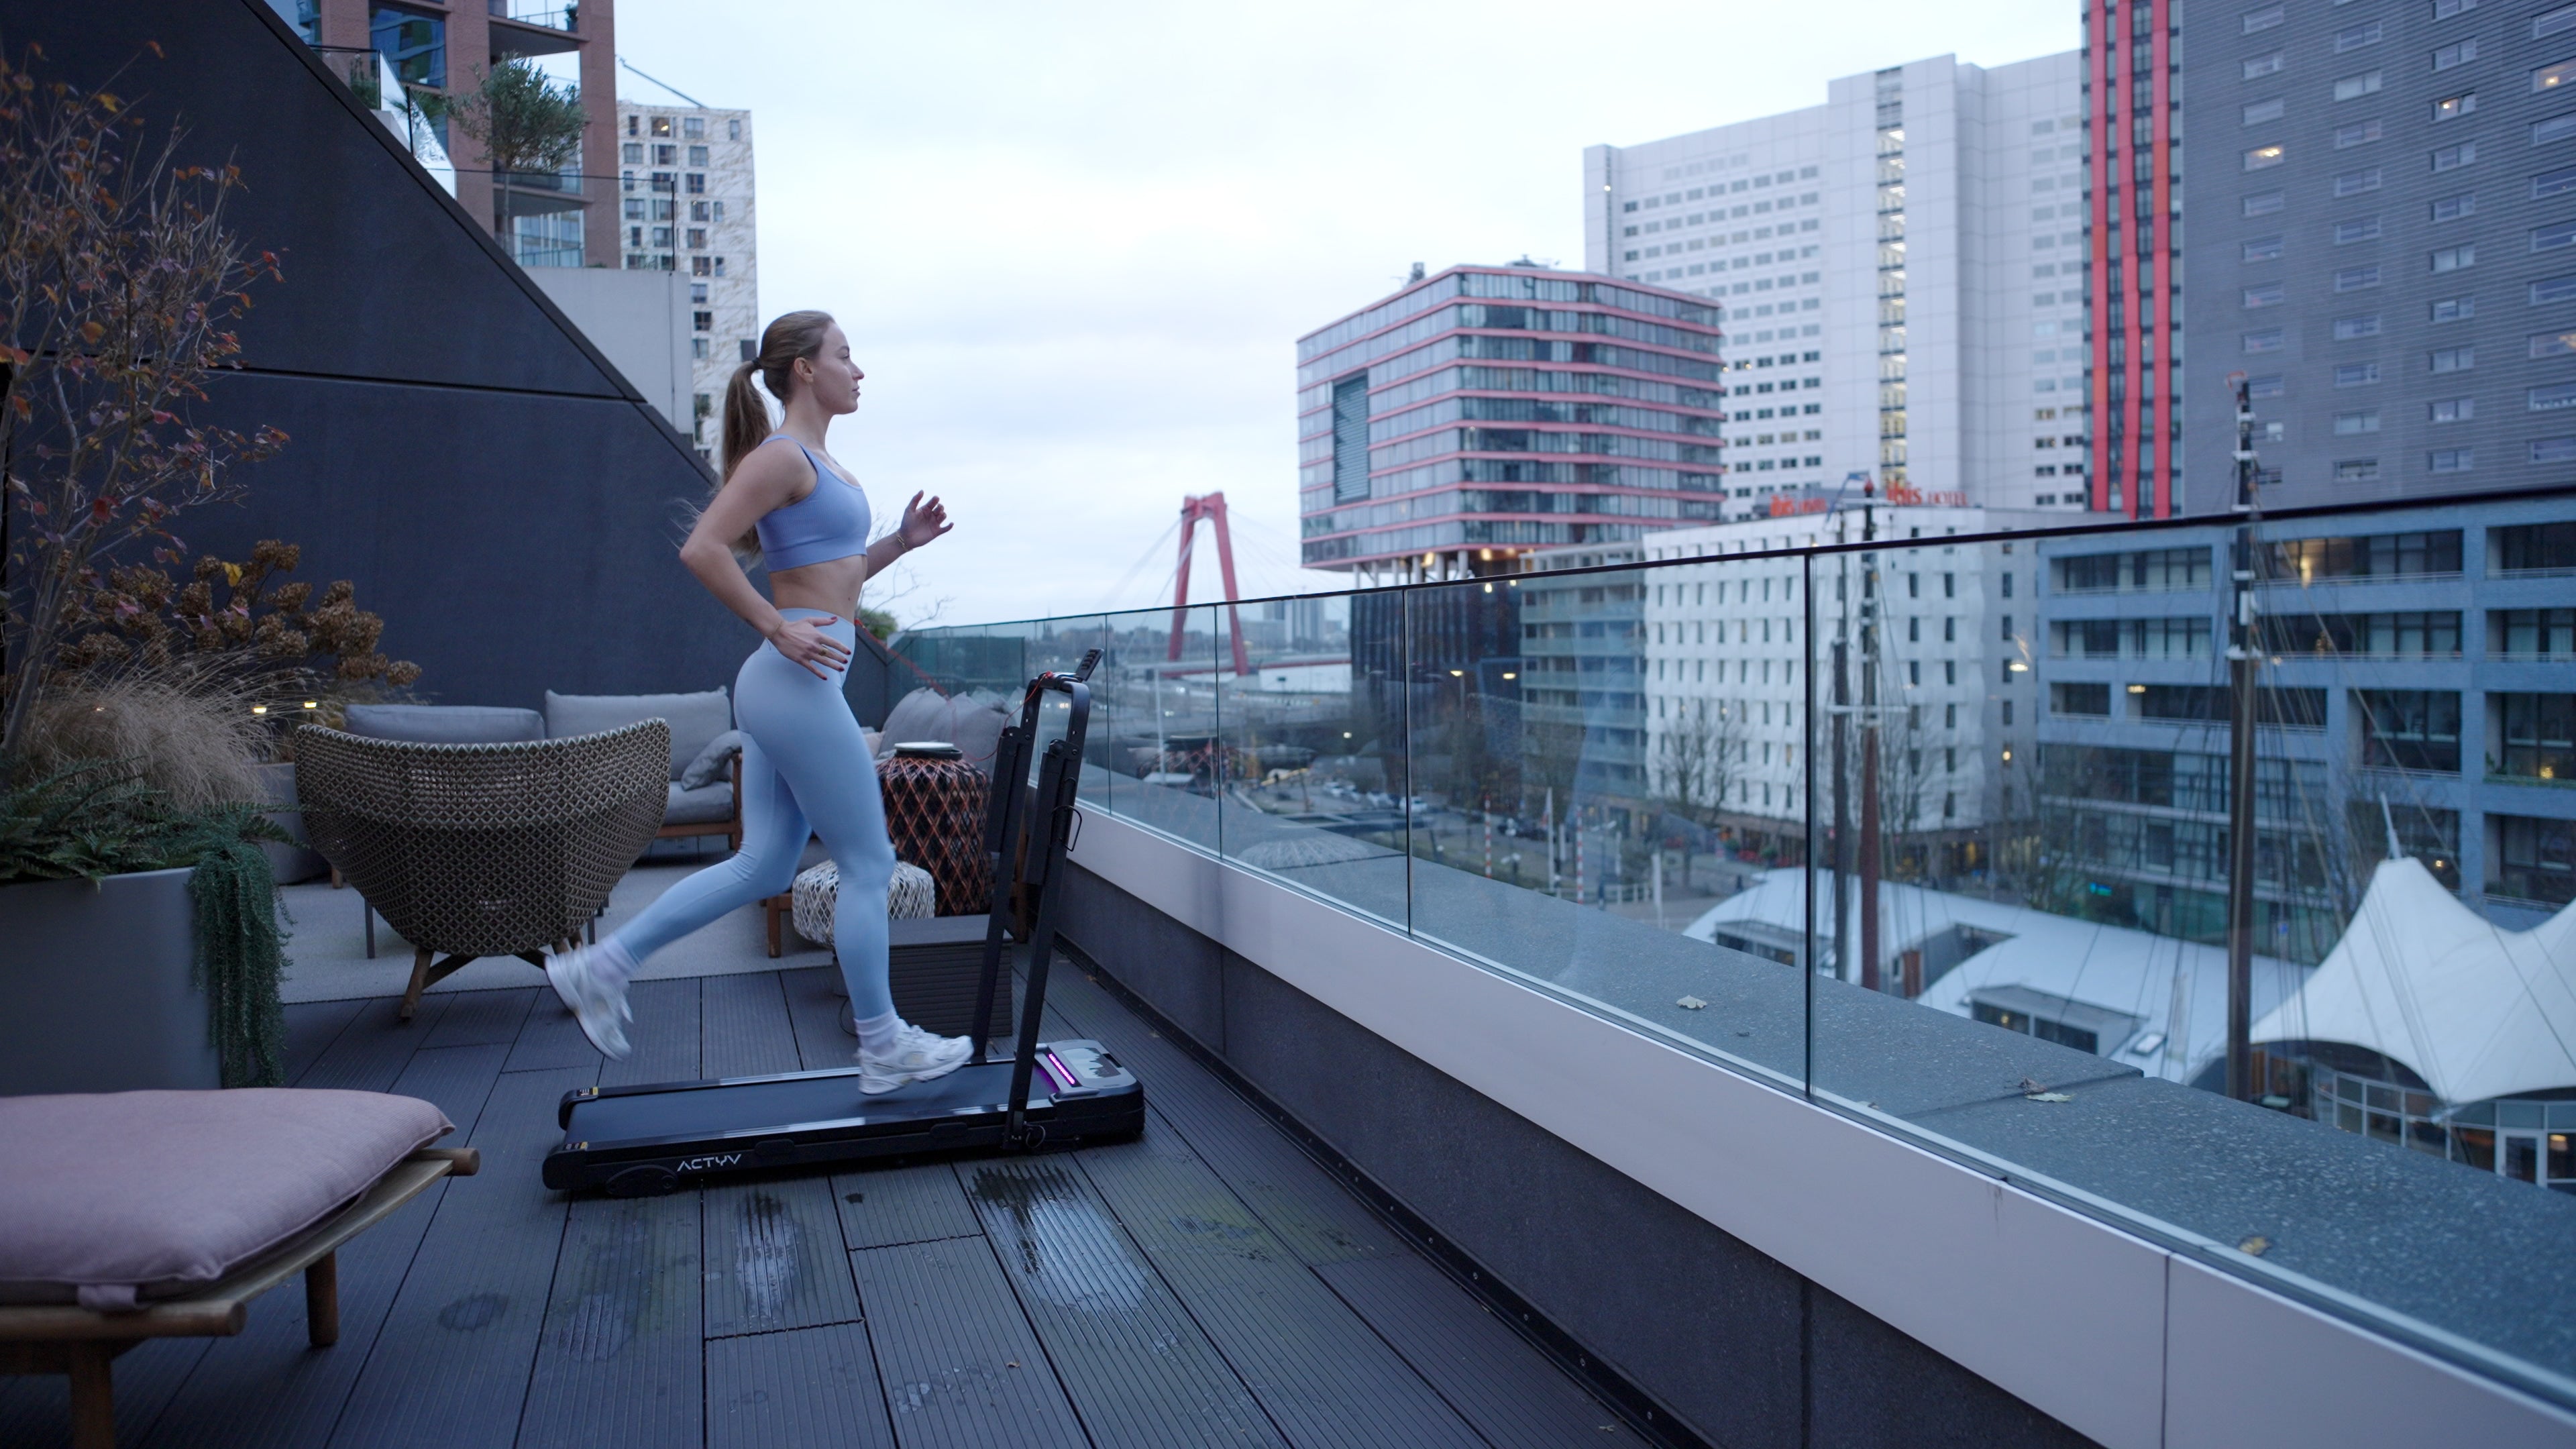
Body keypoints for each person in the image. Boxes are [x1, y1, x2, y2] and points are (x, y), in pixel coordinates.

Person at [546, 309, 970, 1095]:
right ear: (805, 369)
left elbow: (836, 579)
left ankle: (601, 966)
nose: (859, 370)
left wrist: (900, 543)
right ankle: (883, 1043)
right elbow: (701, 548)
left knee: (764, 863)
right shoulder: (780, 456)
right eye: (845, 355)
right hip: (793, 680)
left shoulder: (821, 462)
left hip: (795, 682)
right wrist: (776, 626)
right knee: (870, 863)